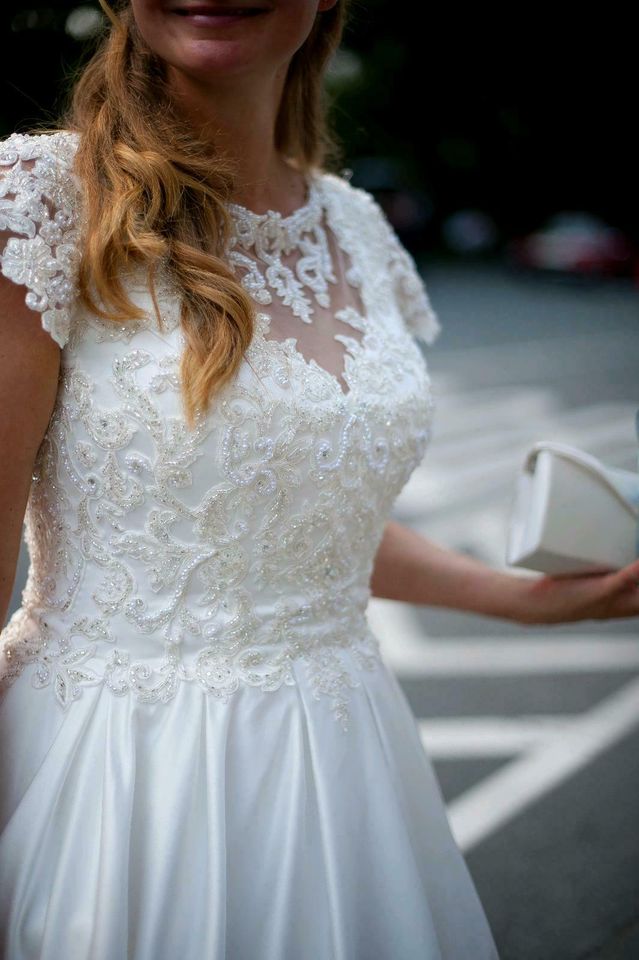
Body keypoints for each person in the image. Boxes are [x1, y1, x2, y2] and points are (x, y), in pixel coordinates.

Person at [0, 1, 637, 957]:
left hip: (347, 753)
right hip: (117, 769)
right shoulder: (42, 200)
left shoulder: (357, 227)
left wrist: (524, 602)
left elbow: (293, 514)